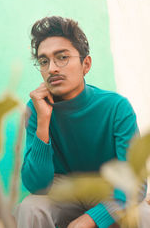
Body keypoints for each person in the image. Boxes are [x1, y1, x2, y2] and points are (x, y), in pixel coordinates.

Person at [15, 16, 142, 228]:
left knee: (144, 214)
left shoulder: (116, 107)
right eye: (44, 61)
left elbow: (135, 183)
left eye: (62, 57)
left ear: (86, 64)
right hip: (63, 193)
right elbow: (36, 186)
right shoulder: (37, 107)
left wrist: (89, 220)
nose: (52, 68)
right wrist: (44, 121)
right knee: (30, 207)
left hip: (108, 190)